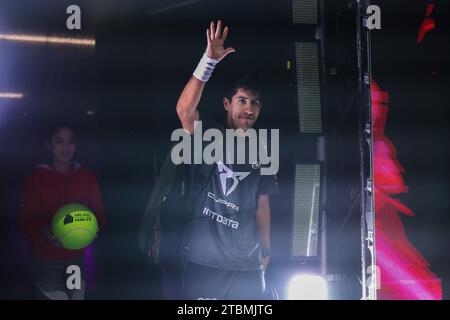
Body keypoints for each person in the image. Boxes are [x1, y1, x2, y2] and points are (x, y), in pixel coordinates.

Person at [175, 20, 278, 299]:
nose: (249, 108)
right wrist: (208, 61)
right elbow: (184, 110)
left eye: (255, 102)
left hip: (247, 266)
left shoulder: (263, 149)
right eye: (242, 100)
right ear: (226, 104)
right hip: (204, 262)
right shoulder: (208, 135)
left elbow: (262, 204)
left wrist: (266, 253)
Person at [20, 122, 106, 300]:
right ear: (49, 145)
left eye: (71, 142)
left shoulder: (87, 176)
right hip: (45, 259)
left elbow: (99, 215)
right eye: (59, 142)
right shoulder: (37, 178)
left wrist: (94, 229)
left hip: (76, 259)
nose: (65, 148)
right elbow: (26, 218)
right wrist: (45, 232)